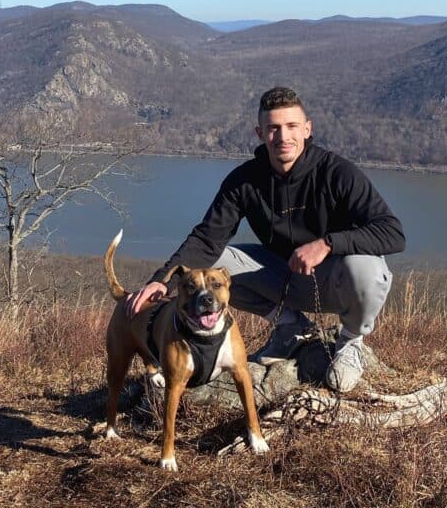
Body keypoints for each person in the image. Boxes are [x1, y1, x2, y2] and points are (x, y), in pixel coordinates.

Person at [126, 86, 404, 392]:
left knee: (368, 268)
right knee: (215, 265)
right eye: (273, 128)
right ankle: (290, 325)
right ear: (260, 133)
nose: (283, 137)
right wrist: (162, 281)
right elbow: (207, 238)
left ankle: (351, 340)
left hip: (335, 282)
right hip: (284, 278)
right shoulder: (244, 180)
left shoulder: (337, 173)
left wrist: (327, 244)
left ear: (307, 129)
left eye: (291, 126)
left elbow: (392, 232)